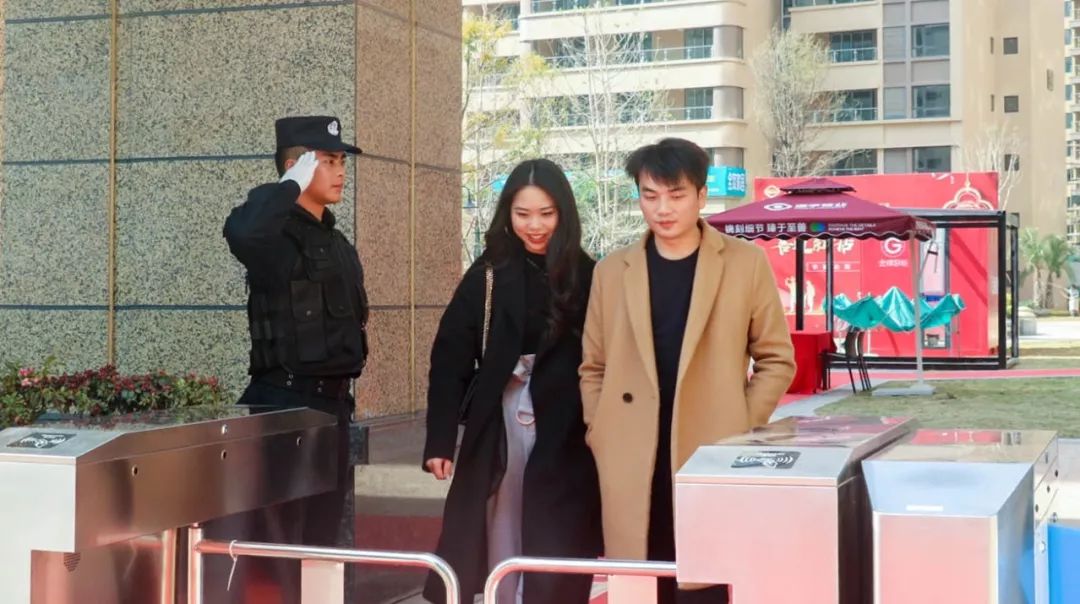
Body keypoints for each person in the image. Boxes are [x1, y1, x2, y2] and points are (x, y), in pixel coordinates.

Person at [579, 138, 795, 604]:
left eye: (676, 195)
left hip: (709, 447)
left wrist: (739, 423)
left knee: (706, 578)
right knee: (639, 583)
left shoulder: (743, 263)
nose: (662, 209)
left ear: (701, 195)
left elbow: (777, 358)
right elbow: (593, 366)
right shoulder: (612, 271)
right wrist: (600, 428)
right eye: (650, 195)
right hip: (631, 451)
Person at [423, 159, 602, 604]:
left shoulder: (587, 274)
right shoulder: (488, 272)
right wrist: (440, 440)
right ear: (508, 213)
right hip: (500, 421)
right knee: (499, 523)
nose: (534, 226)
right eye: (522, 214)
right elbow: (450, 356)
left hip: (567, 426)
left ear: (564, 213)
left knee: (558, 531)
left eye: (546, 213)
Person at [220, 115, 368, 603]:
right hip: (282, 405)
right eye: (327, 161)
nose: (340, 171)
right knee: (277, 549)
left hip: (332, 409)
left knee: (322, 546)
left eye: (341, 160)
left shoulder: (336, 241)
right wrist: (288, 187)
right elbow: (243, 233)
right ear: (297, 166)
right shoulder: (272, 237)